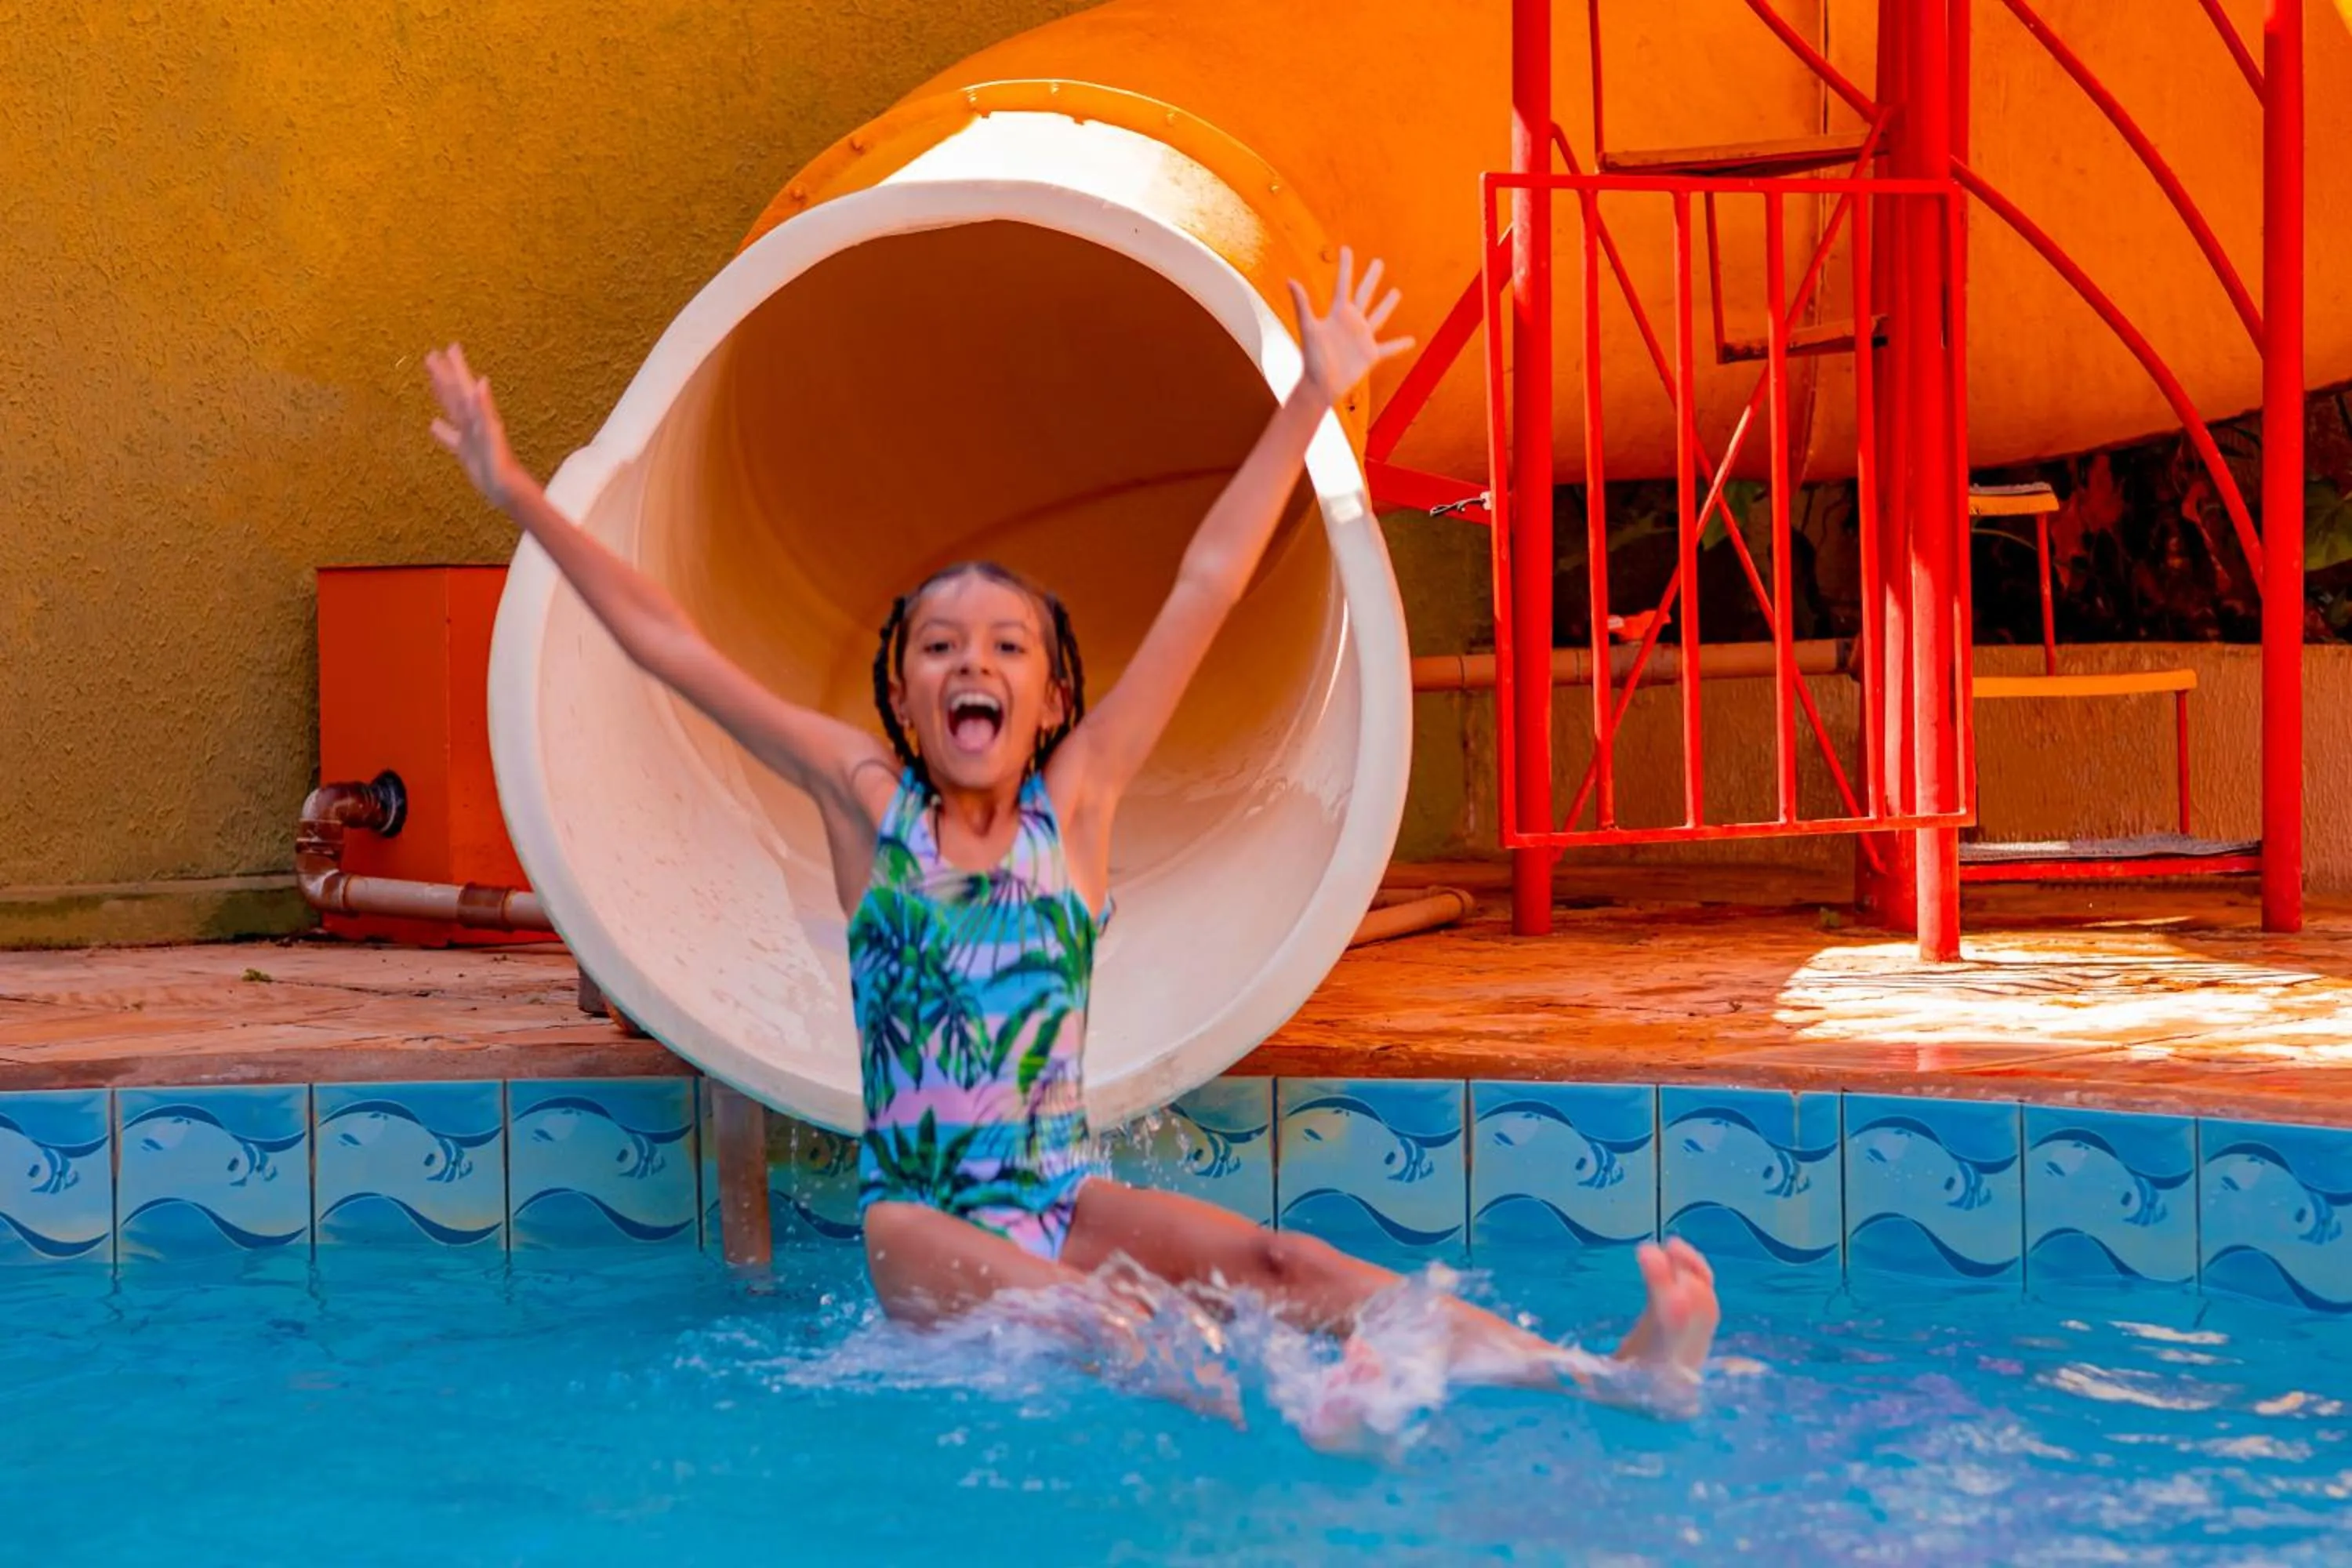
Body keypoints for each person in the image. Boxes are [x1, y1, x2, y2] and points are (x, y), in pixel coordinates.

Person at [425, 249, 1718, 1428]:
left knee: (1293, 1266)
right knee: (1117, 1319)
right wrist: (521, 494)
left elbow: (1206, 585)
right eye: (937, 645)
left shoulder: (1079, 804)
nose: (968, 662)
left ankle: (1610, 1377)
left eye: (1005, 647)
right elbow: (673, 644)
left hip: (1060, 1193)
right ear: (905, 694)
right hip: (921, 1222)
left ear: (1050, 700)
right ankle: (1316, 1426)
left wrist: (1311, 396)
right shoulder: (863, 801)